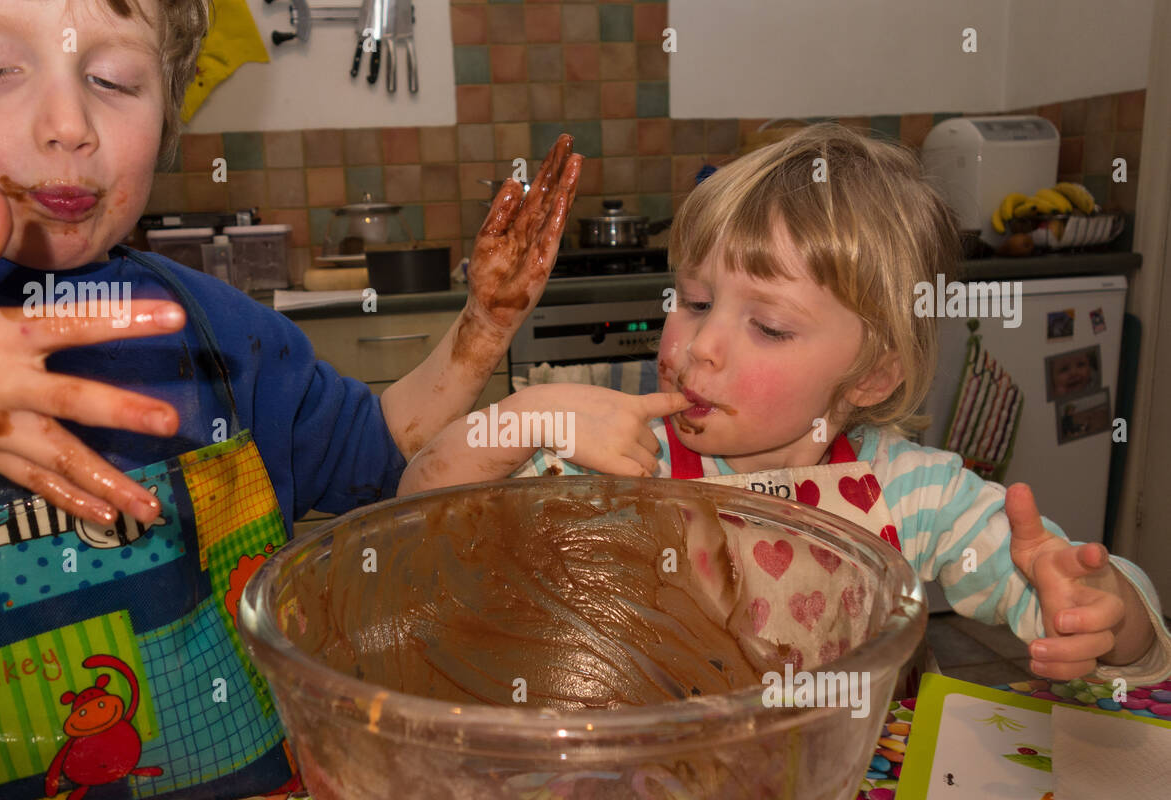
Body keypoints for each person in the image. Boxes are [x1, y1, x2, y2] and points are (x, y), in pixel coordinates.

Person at [0, 0, 581, 800]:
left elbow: (385, 454)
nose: (69, 126)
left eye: (115, 81)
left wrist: (483, 331)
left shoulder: (226, 333)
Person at [400, 123, 1170, 690]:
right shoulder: (619, 466)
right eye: (694, 301)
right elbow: (423, 511)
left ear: (871, 376)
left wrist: (1104, 612)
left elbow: (1074, 600)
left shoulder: (916, 494)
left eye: (767, 325)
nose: (701, 346)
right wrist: (536, 412)